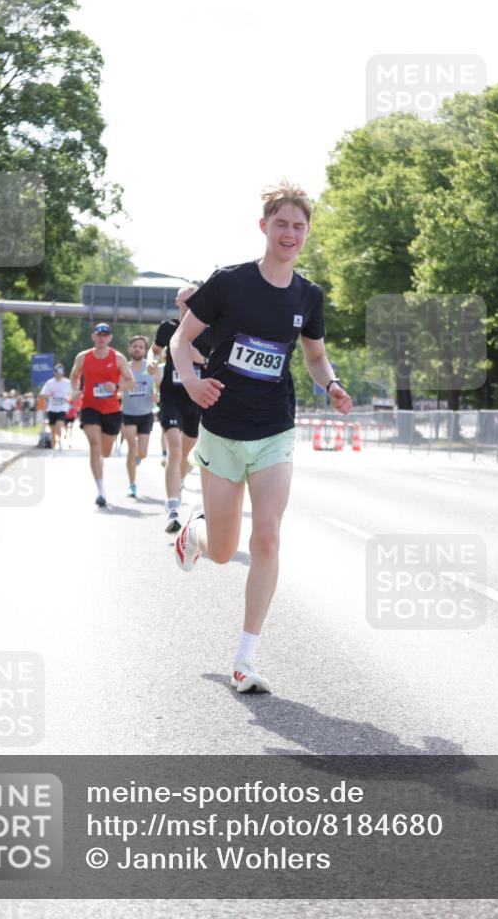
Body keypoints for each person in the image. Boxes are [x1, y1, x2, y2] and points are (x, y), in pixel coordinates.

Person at [171, 180, 353, 694]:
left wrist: (332, 384)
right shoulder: (229, 282)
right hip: (222, 428)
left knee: (268, 536)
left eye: (299, 226)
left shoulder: (308, 295)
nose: (289, 233)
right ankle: (193, 535)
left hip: (274, 428)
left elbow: (315, 356)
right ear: (264, 227)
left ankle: (245, 659)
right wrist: (191, 382)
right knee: (223, 550)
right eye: (281, 224)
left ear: (307, 232)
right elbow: (181, 341)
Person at [151, 287, 212, 533]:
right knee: (174, 450)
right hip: (171, 398)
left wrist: (201, 359)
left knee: (188, 455)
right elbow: (154, 350)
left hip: (195, 399)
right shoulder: (168, 328)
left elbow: (215, 363)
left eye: (195, 300)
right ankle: (173, 508)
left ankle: (180, 481)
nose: (191, 304)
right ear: (178, 302)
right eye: (187, 300)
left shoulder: (208, 331)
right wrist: (151, 361)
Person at [69, 322, 135, 507]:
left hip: (111, 410)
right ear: (93, 337)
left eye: (105, 335)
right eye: (99, 334)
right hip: (89, 406)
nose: (101, 338)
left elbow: (131, 382)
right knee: (94, 445)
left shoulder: (118, 358)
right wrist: (75, 390)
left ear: (109, 338)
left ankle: (100, 461)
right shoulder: (83, 357)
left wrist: (116, 386)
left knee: (105, 452)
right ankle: (100, 490)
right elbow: (74, 376)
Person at [120, 335, 159, 498]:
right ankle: (132, 485)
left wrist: (157, 396)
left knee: (142, 453)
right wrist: (122, 388)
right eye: (135, 346)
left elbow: (159, 387)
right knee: (131, 447)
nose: (137, 349)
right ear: (129, 348)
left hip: (146, 414)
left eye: (141, 347)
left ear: (144, 350)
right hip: (128, 413)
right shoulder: (123, 368)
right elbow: (117, 388)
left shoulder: (151, 367)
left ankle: (137, 457)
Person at [40, 364, 72, 450]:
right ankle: (53, 448)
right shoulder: (50, 383)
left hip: (62, 408)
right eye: (57, 372)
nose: (59, 374)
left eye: (60, 372)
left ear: (63, 373)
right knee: (53, 430)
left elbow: (72, 394)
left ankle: (60, 441)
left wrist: (68, 398)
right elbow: (41, 395)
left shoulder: (67, 383)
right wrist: (49, 395)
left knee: (58, 426)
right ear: (54, 373)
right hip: (52, 409)